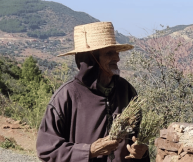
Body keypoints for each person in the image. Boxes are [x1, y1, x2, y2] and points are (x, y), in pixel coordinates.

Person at [36, 22, 150, 162]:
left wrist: (141, 152)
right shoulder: (66, 96)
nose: (117, 58)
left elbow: (138, 139)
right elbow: (47, 150)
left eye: (116, 52)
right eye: (109, 53)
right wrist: (89, 151)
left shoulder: (126, 91)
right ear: (91, 59)